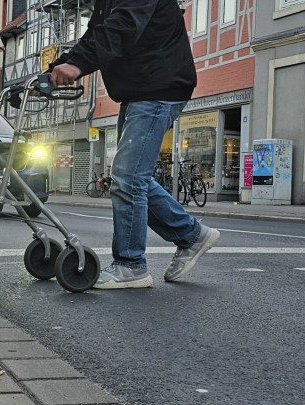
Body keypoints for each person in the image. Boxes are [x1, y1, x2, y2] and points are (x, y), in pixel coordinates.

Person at [49, 0, 220, 289]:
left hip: (158, 87)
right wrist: (59, 66)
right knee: (128, 178)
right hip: (140, 88)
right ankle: (192, 235)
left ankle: (131, 265)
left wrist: (77, 64)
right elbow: (96, 33)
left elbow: (122, 28)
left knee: (129, 178)